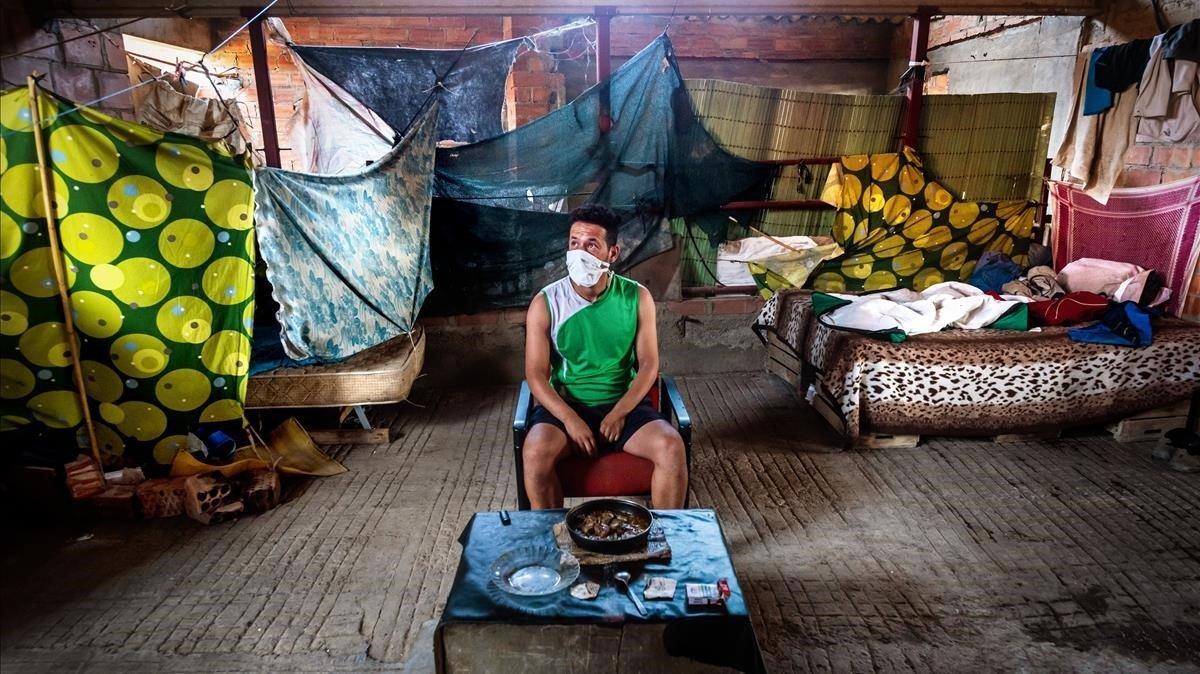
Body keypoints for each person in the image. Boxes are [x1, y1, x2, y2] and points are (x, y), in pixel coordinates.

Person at [522, 204, 688, 509]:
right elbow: (535, 374)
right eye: (574, 243)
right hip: (568, 405)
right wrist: (570, 419)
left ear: (612, 254)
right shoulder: (546, 303)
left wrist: (619, 412)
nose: (578, 252)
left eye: (591, 245)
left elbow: (649, 365)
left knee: (671, 446)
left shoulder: (637, 297)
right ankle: (555, 545)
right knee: (534, 453)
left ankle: (668, 541)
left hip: (622, 404)